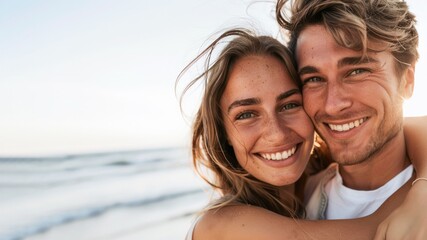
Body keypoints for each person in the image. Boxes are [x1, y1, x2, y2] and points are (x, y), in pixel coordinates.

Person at [177, 28, 420, 240]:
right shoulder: (220, 226)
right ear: (223, 133)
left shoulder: (314, 184)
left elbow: (403, 127)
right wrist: (419, 195)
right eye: (246, 114)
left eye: (289, 105)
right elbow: (383, 231)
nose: (277, 134)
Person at [275, 0, 427, 238]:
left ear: (407, 80)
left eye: (357, 71)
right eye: (314, 79)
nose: (333, 104)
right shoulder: (297, 199)